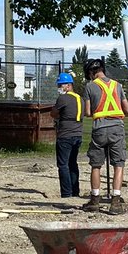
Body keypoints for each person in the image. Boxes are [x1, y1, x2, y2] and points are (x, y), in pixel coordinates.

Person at [82, 57, 128, 214]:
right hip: (117, 127)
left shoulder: (90, 86)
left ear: (91, 72)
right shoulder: (118, 85)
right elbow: (127, 109)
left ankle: (95, 200)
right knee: (118, 164)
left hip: (99, 129)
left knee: (96, 165)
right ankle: (115, 202)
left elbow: (88, 112)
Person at [52, 71, 82, 199]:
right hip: (78, 133)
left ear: (68, 85)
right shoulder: (80, 98)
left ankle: (66, 192)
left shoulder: (63, 98)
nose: (59, 88)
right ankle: (75, 191)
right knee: (73, 163)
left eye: (61, 85)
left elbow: (54, 113)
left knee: (63, 164)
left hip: (65, 134)